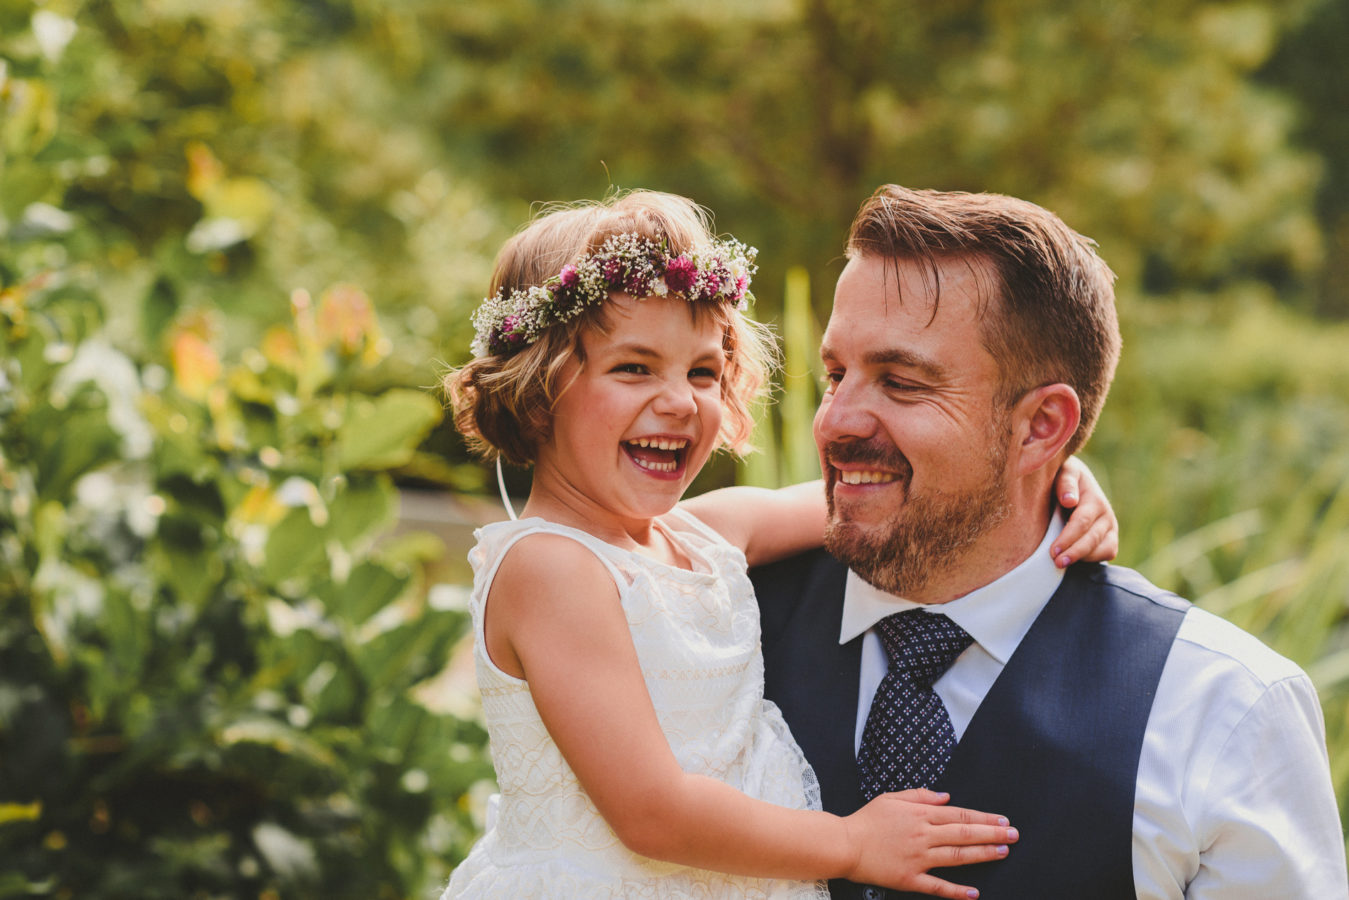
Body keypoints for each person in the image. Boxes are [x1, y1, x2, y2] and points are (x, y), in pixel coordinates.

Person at [438, 190, 1119, 899]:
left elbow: (889, 498)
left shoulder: (706, 535)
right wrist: (852, 843)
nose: (679, 400)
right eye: (634, 368)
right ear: (538, 390)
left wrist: (1043, 469)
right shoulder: (550, 567)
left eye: (702, 371)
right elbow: (650, 814)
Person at [751, 184, 1348, 900]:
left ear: (1040, 427)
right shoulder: (707, 626)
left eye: (900, 382)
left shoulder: (1223, 706)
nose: (834, 421)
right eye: (834, 374)